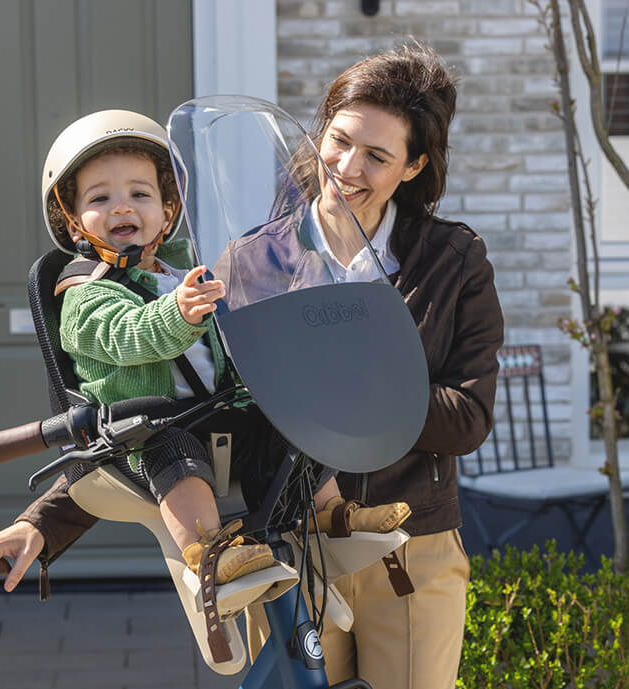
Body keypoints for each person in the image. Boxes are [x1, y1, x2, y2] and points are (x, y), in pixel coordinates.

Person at [0, 110, 410, 596]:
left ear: (169, 211)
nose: (121, 207)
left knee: (291, 425)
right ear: (72, 220)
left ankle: (333, 515)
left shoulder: (186, 264)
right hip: (145, 431)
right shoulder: (83, 291)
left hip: (217, 413)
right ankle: (211, 550)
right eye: (99, 198)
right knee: (177, 456)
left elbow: (239, 320)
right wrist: (180, 313)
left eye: (140, 194)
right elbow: (126, 334)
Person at [212, 42, 504, 689]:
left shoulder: (453, 260)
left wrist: (357, 372)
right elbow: (225, 408)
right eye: (339, 140)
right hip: (292, 547)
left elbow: (469, 417)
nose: (346, 166)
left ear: (414, 165)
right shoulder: (251, 262)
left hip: (410, 545)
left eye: (377, 155)